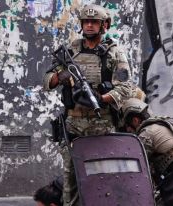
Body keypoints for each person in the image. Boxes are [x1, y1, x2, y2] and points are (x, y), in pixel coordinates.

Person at [43, 4, 135, 206]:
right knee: (71, 180)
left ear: (105, 25)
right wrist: (60, 76)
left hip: (102, 126)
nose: (90, 25)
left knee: (104, 179)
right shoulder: (71, 50)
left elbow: (126, 88)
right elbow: (47, 82)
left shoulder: (114, 53)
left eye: (95, 22)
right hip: (73, 125)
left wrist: (102, 99)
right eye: (86, 22)